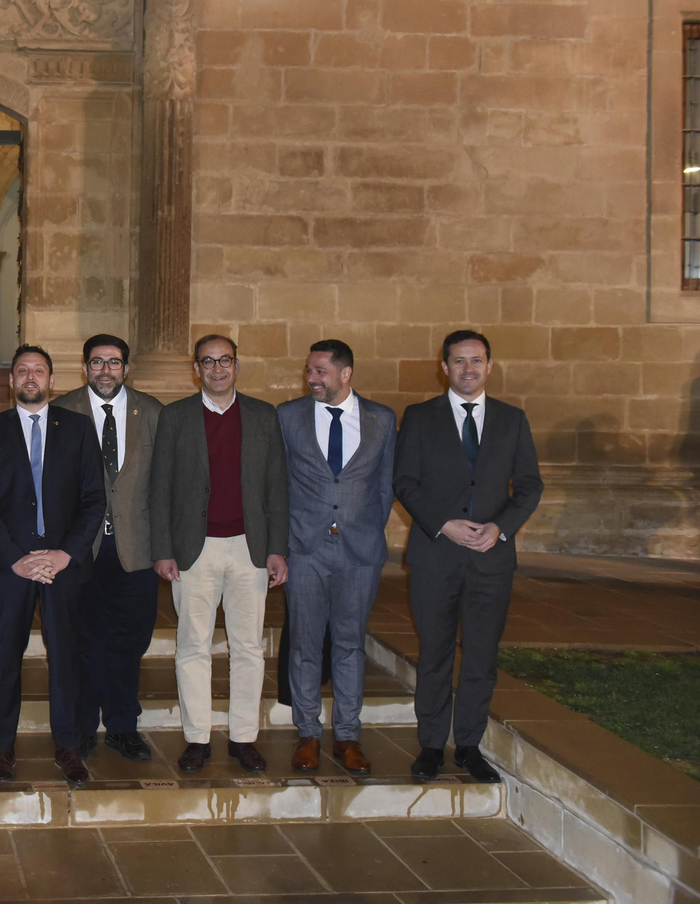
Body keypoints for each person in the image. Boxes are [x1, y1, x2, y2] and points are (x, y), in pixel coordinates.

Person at [394, 329, 542, 784]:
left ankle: (470, 746)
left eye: (476, 361)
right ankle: (433, 745)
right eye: (459, 361)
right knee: (435, 653)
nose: (468, 369)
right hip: (436, 555)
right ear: (444, 367)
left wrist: (500, 528)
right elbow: (405, 482)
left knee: (480, 655)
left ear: (490, 366)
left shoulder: (513, 420)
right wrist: (443, 523)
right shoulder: (420, 418)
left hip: (490, 561)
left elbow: (530, 486)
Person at [150, 334, 289, 775]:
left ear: (236, 364)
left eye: (224, 360)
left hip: (250, 548)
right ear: (196, 369)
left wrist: (277, 550)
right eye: (207, 362)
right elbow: (160, 489)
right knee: (193, 648)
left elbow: (277, 489)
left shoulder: (263, 417)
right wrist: (163, 550)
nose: (216, 369)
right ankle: (197, 738)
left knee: (248, 647)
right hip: (195, 551)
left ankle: (244, 737)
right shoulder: (175, 418)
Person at [0, 344, 106, 784]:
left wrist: (64, 554)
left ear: (52, 380)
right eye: (22, 371)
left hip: (64, 566)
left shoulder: (80, 429)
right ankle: (3, 747)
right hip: (10, 566)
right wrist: (16, 559)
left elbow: (93, 501)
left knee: (65, 657)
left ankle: (67, 746)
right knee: (5, 657)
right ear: (10, 382)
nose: (31, 377)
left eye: (39, 371)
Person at [274, 340, 397, 774]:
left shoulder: (382, 419)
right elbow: (279, 484)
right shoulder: (288, 417)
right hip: (304, 549)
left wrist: (359, 529)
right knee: (305, 645)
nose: (312, 378)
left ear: (346, 374)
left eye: (321, 371)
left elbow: (384, 487)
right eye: (309, 370)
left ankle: (347, 735)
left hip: (359, 552)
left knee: (350, 645)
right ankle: (307, 732)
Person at [52, 333, 164, 764]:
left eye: (114, 363)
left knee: (129, 642)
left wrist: (164, 548)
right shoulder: (62, 410)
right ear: (84, 368)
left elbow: (163, 485)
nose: (105, 371)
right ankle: (80, 727)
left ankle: (121, 726)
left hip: (135, 549)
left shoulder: (151, 411)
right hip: (80, 549)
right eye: (96, 363)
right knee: (81, 640)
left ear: (126, 369)